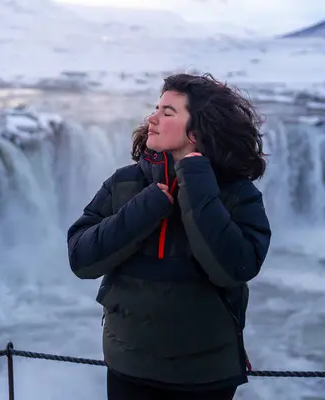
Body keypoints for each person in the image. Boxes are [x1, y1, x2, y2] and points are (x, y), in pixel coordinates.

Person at [67, 72, 272, 400]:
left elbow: (233, 268)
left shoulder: (237, 195)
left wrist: (195, 179)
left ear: (197, 130)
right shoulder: (124, 184)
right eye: (156, 108)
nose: (152, 118)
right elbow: (81, 259)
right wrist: (146, 207)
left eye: (168, 112)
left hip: (206, 376)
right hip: (128, 367)